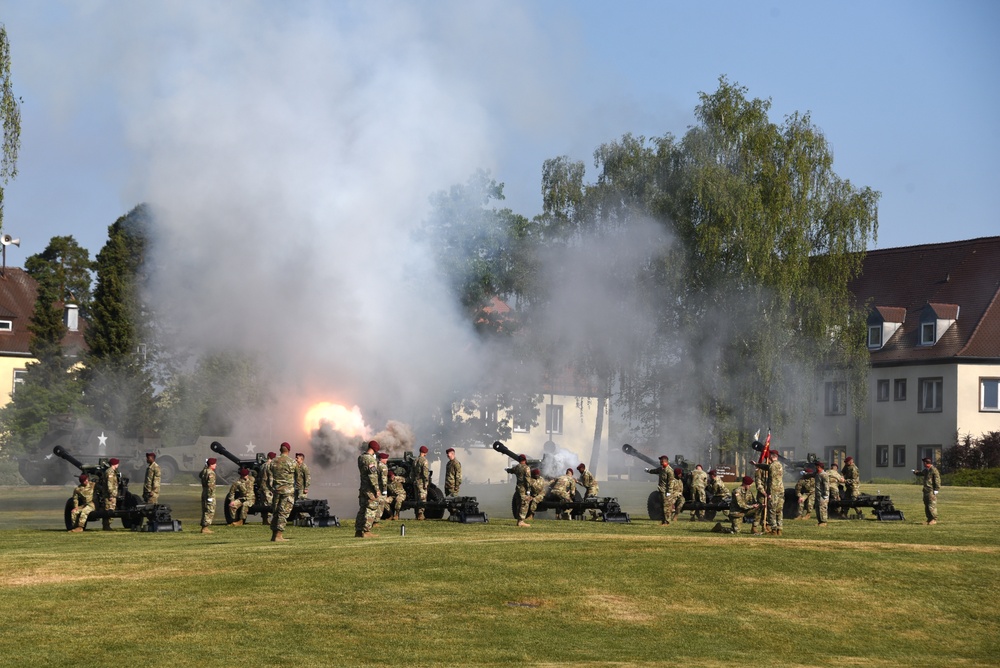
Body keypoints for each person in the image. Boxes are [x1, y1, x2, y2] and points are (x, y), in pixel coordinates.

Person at [269, 442, 297, 542]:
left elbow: (269, 477)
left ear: (280, 449)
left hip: (276, 490)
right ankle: (279, 536)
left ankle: (273, 535)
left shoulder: (273, 461)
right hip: (287, 491)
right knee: (283, 512)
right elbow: (297, 477)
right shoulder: (292, 462)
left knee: (276, 512)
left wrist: (271, 488)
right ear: (288, 450)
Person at [355, 440, 381, 538]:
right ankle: (366, 531)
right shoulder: (371, 460)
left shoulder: (361, 458)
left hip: (363, 488)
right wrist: (377, 489)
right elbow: (372, 476)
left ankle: (358, 530)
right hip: (370, 489)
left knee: (362, 509)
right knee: (371, 508)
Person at [756, 450, 784, 536]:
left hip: (773, 491)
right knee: (779, 510)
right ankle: (779, 529)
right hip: (781, 491)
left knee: (772, 510)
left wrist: (769, 493)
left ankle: (774, 529)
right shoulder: (780, 465)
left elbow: (772, 481)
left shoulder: (772, 466)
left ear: (771, 456)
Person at [647, 456, 675, 525]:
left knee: (666, 507)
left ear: (664, 461)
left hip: (666, 491)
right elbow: (655, 471)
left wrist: (669, 492)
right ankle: (663, 521)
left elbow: (671, 482)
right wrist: (648, 471)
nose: (660, 462)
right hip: (661, 491)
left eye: (661, 460)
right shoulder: (661, 469)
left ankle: (667, 521)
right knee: (662, 506)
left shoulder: (669, 470)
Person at [914, 457, 941, 525]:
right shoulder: (926, 470)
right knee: (926, 505)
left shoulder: (933, 470)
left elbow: (937, 480)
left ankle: (934, 519)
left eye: (924, 462)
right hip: (926, 490)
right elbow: (921, 473)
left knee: (931, 505)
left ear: (926, 463)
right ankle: (929, 519)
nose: (923, 464)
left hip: (931, 490)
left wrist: (936, 489)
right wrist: (916, 472)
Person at [100, 458, 120, 531]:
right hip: (109, 495)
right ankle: (106, 526)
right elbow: (110, 485)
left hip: (110, 494)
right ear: (115, 464)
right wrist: (111, 495)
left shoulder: (111, 471)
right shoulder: (110, 472)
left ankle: (107, 526)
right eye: (117, 463)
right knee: (109, 510)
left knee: (110, 510)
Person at [256, 451, 276, 525]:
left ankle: (264, 519)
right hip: (268, 488)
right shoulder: (270, 466)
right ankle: (267, 520)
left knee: (263, 504)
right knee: (269, 504)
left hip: (262, 487)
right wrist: (272, 488)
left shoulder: (263, 465)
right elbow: (270, 478)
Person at [412, 445, 431, 520]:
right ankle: (421, 514)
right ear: (425, 453)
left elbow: (412, 472)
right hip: (421, 482)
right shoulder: (424, 461)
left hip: (416, 481)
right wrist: (426, 483)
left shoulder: (415, 460)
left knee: (416, 498)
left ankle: (416, 514)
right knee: (422, 498)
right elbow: (425, 474)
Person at [513, 454, 532, 527]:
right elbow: (527, 480)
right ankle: (521, 521)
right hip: (523, 488)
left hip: (518, 487)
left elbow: (512, 470)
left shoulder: (517, 467)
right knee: (524, 504)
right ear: (525, 459)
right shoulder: (526, 468)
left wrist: (508, 470)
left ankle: (518, 520)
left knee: (519, 504)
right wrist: (529, 490)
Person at [199, 457, 217, 534]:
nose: (216, 465)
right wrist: (210, 497)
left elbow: (200, 475)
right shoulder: (211, 473)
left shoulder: (205, 471)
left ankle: (204, 526)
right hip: (209, 494)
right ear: (211, 464)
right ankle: (205, 527)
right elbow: (210, 485)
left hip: (204, 492)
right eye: (214, 464)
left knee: (205, 509)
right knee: (209, 510)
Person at [374, 452, 390, 527]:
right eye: (386, 458)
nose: (387, 460)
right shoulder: (383, 467)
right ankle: (376, 522)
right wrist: (385, 491)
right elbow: (384, 480)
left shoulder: (375, 465)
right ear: (382, 459)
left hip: (375, 488)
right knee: (381, 505)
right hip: (381, 488)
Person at [814, 461, 830, 526]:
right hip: (818, 494)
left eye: (817, 466)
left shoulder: (824, 475)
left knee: (822, 508)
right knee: (818, 508)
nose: (815, 468)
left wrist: (825, 494)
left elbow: (826, 485)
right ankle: (820, 521)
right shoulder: (818, 474)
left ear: (819, 467)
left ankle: (824, 521)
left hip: (823, 495)